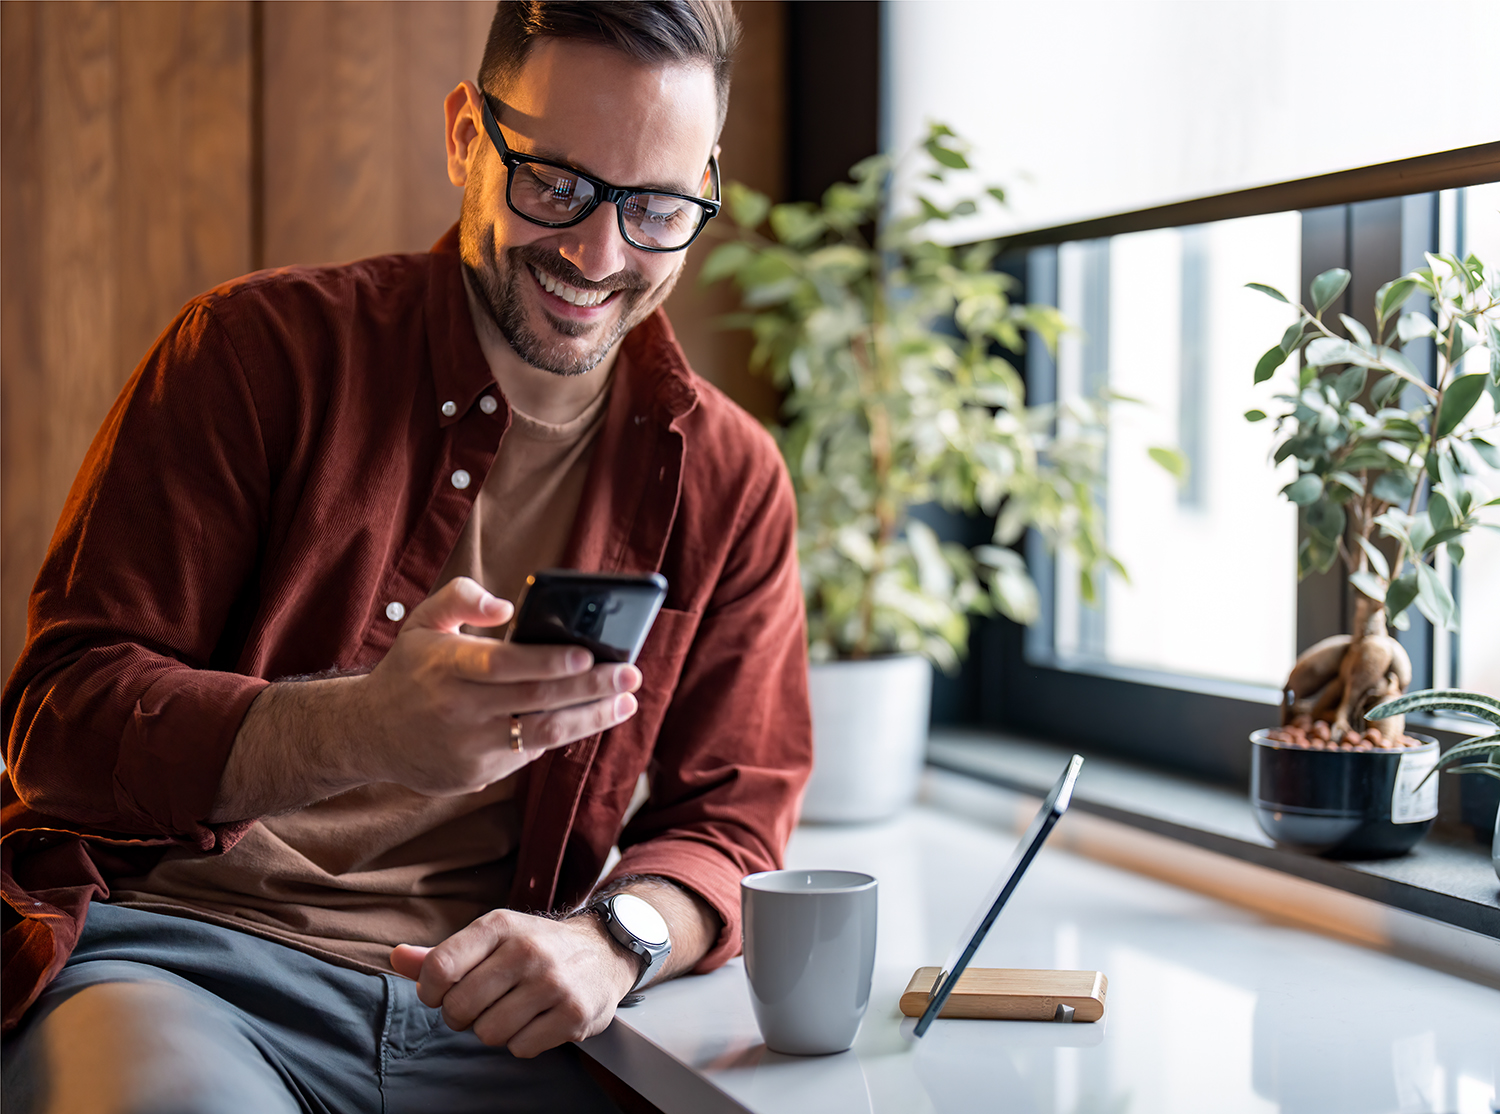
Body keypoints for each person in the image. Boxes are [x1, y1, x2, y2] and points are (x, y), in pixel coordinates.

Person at [0, 2, 812, 1110]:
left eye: (658, 205)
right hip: (189, 970)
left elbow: (733, 818)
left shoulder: (733, 477)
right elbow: (61, 723)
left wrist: (617, 938)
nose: (598, 252)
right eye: (557, 184)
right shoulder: (253, 354)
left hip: (509, 1026)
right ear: (467, 139)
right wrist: (362, 728)